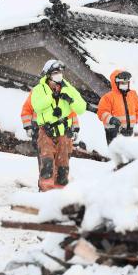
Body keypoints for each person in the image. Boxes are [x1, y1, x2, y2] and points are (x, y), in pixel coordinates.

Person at [31, 60, 86, 191]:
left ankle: (60, 192)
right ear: (48, 75)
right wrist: (52, 96)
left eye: (60, 72)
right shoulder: (39, 89)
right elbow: (37, 107)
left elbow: (82, 108)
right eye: (55, 73)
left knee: (63, 165)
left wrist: (70, 100)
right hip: (47, 131)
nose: (59, 75)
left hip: (64, 132)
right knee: (47, 162)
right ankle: (45, 190)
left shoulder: (69, 88)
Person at [97, 70, 138, 145]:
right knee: (118, 155)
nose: (125, 85)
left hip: (132, 133)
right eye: (122, 83)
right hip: (115, 133)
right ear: (116, 83)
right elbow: (102, 112)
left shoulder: (133, 95)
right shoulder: (108, 97)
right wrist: (111, 119)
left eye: (126, 83)